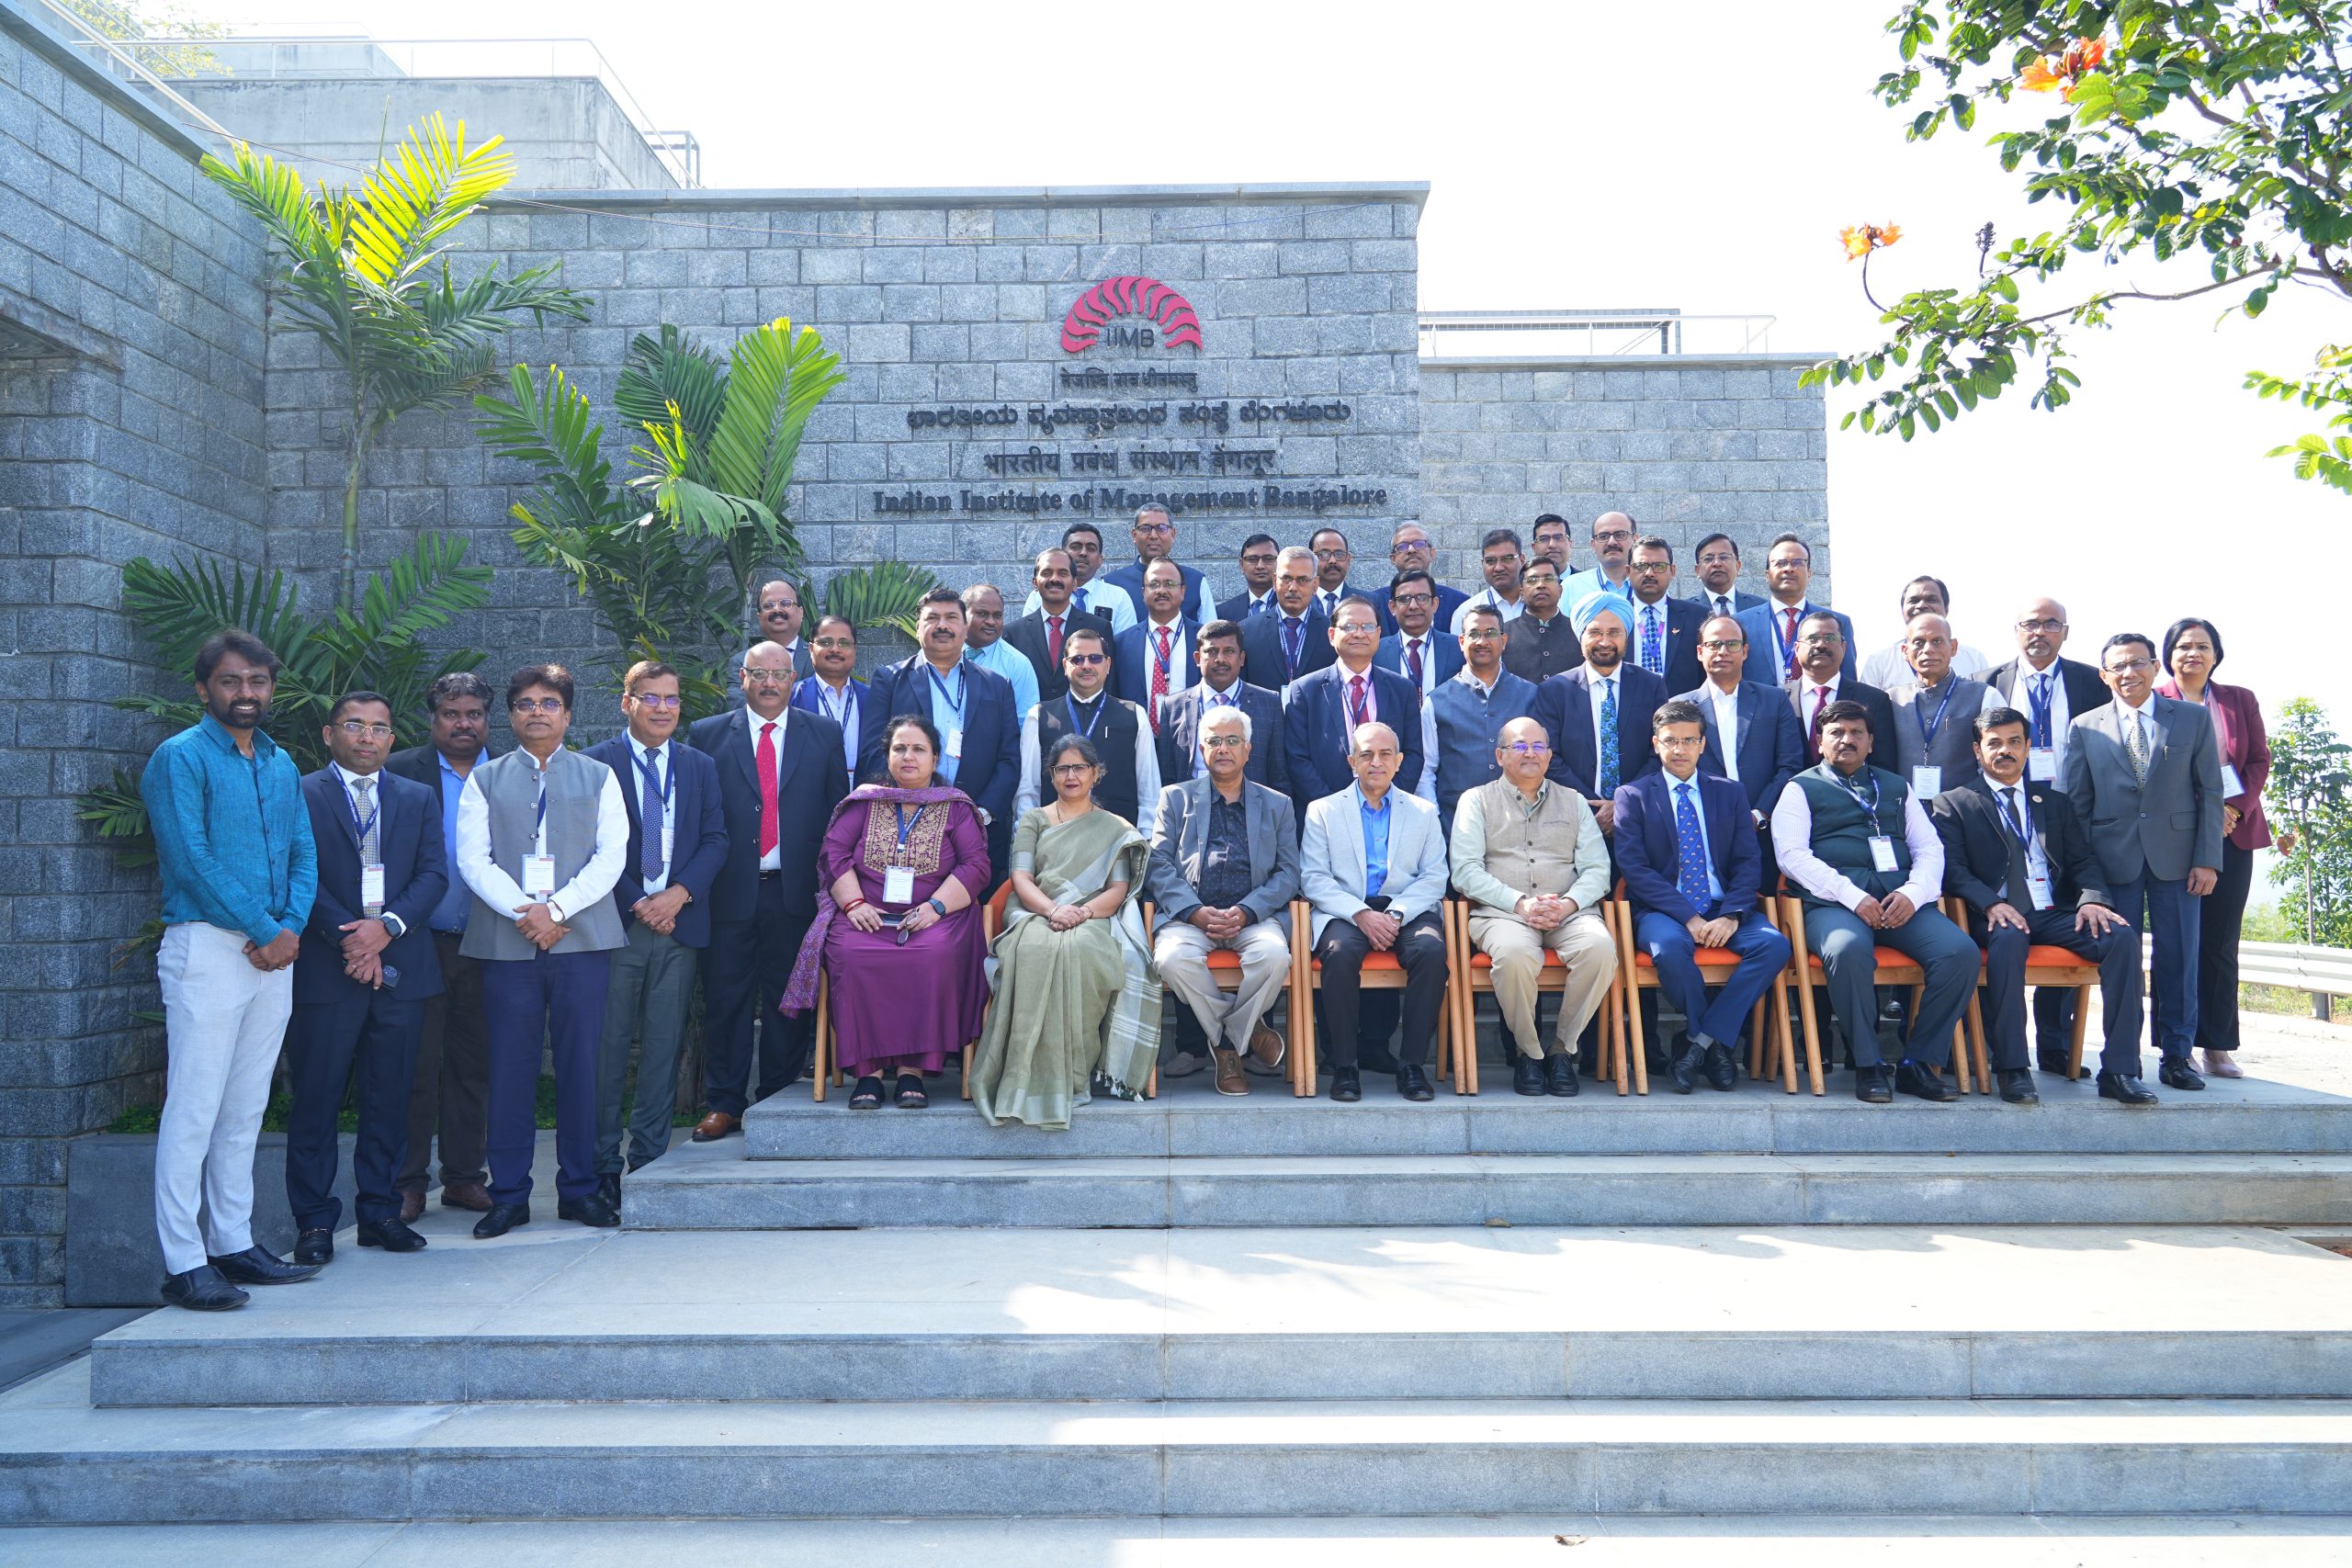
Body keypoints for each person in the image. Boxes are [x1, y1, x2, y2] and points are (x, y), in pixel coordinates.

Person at [141, 631, 321, 1310]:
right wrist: (265, 930)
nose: (246, 692)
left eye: (257, 681)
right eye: (231, 681)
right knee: (194, 1107)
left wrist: (289, 928)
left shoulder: (280, 762)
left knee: (245, 1105)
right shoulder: (180, 757)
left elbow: (303, 851)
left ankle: (233, 1242)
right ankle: (185, 1262)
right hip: (209, 949)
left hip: (276, 953)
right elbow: (191, 858)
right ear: (203, 688)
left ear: (272, 688)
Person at [455, 664, 628, 1235]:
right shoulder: (486, 780)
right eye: (525, 703)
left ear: (568, 714)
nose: (537, 712)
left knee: (582, 1067)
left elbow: (611, 856)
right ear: (510, 716)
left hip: (582, 939)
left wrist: (555, 910)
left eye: (549, 703)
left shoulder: (599, 775)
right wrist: (524, 912)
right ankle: (509, 1195)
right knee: (510, 1069)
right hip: (508, 944)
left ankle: (580, 1190)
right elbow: (473, 859)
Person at [287, 690, 446, 1266]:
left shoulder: (416, 796)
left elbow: (434, 874)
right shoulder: (301, 793)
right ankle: (314, 1222)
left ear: (392, 739)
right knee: (317, 1098)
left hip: (402, 968)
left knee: (390, 1097)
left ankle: (380, 1213)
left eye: (379, 728)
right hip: (326, 969)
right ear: (329, 734)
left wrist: (387, 929)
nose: (367, 736)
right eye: (354, 725)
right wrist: (351, 938)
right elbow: (296, 873)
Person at [1770, 700, 1980, 1104]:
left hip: (1901, 904)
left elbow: (1929, 849)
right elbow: (1792, 857)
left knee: (1960, 953)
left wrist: (1913, 893)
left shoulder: (1897, 786)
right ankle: (1868, 1064)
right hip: (1833, 905)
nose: (1846, 740)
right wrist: (1853, 896)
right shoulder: (1799, 789)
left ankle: (1918, 1064)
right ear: (1820, 741)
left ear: (1871, 741)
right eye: (1836, 733)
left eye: (1856, 733)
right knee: (1846, 950)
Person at [1932, 708, 2143, 1103]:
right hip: (1993, 914)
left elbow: (2082, 862)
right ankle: (2013, 1068)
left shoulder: (2054, 803)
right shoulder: (1954, 803)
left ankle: (2120, 1070)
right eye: (1994, 743)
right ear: (1978, 751)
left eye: (2014, 742)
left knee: (2121, 937)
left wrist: (2092, 900)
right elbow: (1953, 871)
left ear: (2028, 747)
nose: (2005, 751)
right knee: (2009, 938)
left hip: (2052, 913)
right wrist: (1990, 903)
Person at [785, 716, 991, 1110]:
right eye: (900, 748)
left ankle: (914, 1072)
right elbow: (834, 853)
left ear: (935, 758)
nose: (908, 756)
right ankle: (869, 1073)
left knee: (934, 954)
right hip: (866, 917)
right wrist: (854, 903)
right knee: (851, 953)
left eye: (918, 749)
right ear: (888, 756)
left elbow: (976, 865)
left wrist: (936, 907)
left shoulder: (956, 807)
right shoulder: (865, 802)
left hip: (935, 918)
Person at [688, 642, 847, 1139]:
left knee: (788, 999)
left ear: (794, 679)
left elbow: (837, 818)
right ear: (743, 678)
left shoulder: (823, 734)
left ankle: (777, 1098)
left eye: (779, 674)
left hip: (795, 891)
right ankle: (724, 1102)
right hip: (729, 890)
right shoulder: (708, 734)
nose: (769, 683)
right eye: (759, 673)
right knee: (726, 998)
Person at [585, 661, 728, 1204]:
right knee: (608, 1047)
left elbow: (715, 839)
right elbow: (590, 845)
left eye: (671, 698)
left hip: (678, 925)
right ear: (627, 703)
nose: (662, 708)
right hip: (617, 924)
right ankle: (602, 1164)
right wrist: (639, 901)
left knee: (664, 1046)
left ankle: (648, 1159)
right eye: (650, 697)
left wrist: (678, 895)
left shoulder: (699, 765)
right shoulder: (596, 763)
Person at [2061, 633, 2226, 1094]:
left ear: (2155, 667)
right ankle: (2124, 1063)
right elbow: (2077, 805)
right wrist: (2085, 879)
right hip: (2113, 861)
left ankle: (2177, 1056)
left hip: (2180, 859)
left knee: (2180, 958)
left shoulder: (2191, 718)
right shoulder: (2085, 726)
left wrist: (2207, 859)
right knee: (2123, 964)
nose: (2129, 673)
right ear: (2104, 676)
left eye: (2138, 663)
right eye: (2118, 666)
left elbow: (2211, 791)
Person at [970, 734, 1162, 1128]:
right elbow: (1021, 879)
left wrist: (1082, 912)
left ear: (1096, 773)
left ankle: (1074, 1075)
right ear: (1051, 775)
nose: (1071, 775)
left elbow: (1118, 890)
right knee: (1032, 951)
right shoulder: (1034, 820)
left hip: (1093, 917)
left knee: (1083, 954)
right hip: (1036, 911)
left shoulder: (1114, 827)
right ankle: (1023, 1076)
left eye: (1080, 768)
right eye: (1062, 769)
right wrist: (1053, 909)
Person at [1616, 702, 1794, 1094]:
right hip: (1664, 909)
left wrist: (1731, 915)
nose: (1679, 749)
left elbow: (1748, 861)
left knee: (1774, 946)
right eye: (1670, 741)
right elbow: (1636, 869)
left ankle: (1698, 1043)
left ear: (1702, 744)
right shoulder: (1633, 795)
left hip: (1724, 907)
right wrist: (1689, 917)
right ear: (1656, 744)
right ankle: (1715, 1048)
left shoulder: (1730, 793)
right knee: (1668, 949)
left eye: (1688, 740)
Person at [1451, 716, 1617, 1095]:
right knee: (1513, 955)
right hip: (1502, 914)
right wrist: (1519, 904)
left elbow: (1597, 870)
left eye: (1539, 746)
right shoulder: (1476, 801)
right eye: (1520, 746)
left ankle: (1562, 1050)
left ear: (1549, 755)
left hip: (1568, 913)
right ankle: (1530, 1053)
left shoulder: (1574, 801)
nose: (1530, 753)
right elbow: (1465, 871)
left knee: (1600, 948)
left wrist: (1569, 904)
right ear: (1500, 756)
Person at [387, 671, 496, 1222]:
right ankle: (408, 1182)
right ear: (432, 719)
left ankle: (463, 1176)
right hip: (417, 940)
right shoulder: (399, 771)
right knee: (415, 1063)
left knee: (474, 1063)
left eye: (474, 714)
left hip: (486, 942)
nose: (463, 724)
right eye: (452, 714)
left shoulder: (509, 773)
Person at [1147, 705, 1301, 1094]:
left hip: (1253, 917)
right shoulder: (1175, 798)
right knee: (1170, 959)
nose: (1223, 748)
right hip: (1190, 917)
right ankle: (1240, 1035)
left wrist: (1248, 911)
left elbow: (1288, 873)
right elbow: (1157, 865)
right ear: (1202, 750)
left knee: (1274, 956)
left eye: (1233, 740)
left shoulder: (1277, 804)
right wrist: (1193, 911)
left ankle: (1226, 1041)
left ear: (1249, 750)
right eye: (1214, 740)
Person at [1301, 723, 1451, 1101]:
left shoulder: (1423, 811)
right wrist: (1360, 914)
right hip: (1346, 909)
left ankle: (1412, 1066)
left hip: (1407, 908)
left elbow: (1435, 876)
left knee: (1431, 951)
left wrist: (1397, 914)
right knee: (1338, 952)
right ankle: (1345, 1066)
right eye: (1366, 754)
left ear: (1399, 762)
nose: (1376, 762)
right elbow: (1314, 878)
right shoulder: (1323, 810)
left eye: (1385, 754)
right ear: (1352, 762)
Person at [2156, 617, 2271, 1080]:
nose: (2193, 654)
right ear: (2168, 655)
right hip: (2175, 835)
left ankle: (2217, 1046)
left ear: (2216, 654)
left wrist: (2232, 810)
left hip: (2234, 831)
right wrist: (2202, 814)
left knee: (2221, 942)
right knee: (2175, 941)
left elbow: (2258, 760)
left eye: (2203, 646)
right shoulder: (2154, 700)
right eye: (2183, 646)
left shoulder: (2239, 699)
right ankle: (2174, 1045)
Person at [866, 588, 1023, 892]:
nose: (942, 626)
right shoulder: (889, 680)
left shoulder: (997, 685)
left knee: (973, 912)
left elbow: (1009, 758)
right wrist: (905, 807)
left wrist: (981, 814)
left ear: (965, 627)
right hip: (905, 825)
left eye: (952, 618)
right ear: (918, 627)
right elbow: (872, 752)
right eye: (932, 618)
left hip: (977, 826)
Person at [1283, 597, 1426, 824]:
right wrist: (1333, 808)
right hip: (1327, 816)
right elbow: (1297, 758)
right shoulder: (1304, 690)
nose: (1359, 634)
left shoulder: (1402, 689)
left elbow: (1413, 754)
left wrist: (1385, 802)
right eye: (1349, 626)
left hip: (1388, 815)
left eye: (1367, 627)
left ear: (1378, 634)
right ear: (1332, 635)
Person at [1532, 599, 1667, 832]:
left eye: (1614, 632)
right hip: (1573, 817)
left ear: (1626, 637)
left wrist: (1623, 802)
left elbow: (1659, 752)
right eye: (1595, 633)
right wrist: (1591, 808)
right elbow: (1548, 756)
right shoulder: (1555, 690)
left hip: (1640, 815)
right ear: (1581, 637)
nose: (1605, 642)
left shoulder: (1651, 685)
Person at [1675, 614, 1804, 856]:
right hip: (1700, 832)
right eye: (1714, 644)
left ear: (1745, 651)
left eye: (1732, 644)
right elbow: (1673, 771)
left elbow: (1791, 765)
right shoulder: (1679, 707)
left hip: (1765, 833)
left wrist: (1759, 813)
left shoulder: (1774, 700)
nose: (1723, 651)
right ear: (1700, 652)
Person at [1018, 626, 1162, 833]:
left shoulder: (1134, 714)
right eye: (1077, 659)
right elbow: (1028, 790)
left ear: (1108, 664)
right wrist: (1027, 836)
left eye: (1095, 658)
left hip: (1118, 837)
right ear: (1065, 666)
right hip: (1056, 838)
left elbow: (1149, 788)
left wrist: (1146, 837)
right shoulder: (1040, 716)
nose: (1086, 665)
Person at [1427, 604, 1541, 834]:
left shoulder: (1531, 695)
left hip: (1521, 824)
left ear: (1504, 641)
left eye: (1490, 633)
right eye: (1474, 634)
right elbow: (1426, 771)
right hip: (1456, 825)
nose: (1482, 641)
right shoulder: (1436, 701)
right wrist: (1433, 821)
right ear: (1461, 642)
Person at [1984, 596, 2106, 785]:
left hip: (2072, 797)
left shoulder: (2093, 681)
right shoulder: (1987, 682)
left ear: (2065, 632)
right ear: (2016, 630)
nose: (2040, 632)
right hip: (2009, 796)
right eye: (2031, 624)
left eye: (2051, 624)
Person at [1157, 619, 1287, 794]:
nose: (1220, 659)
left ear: (1241, 658)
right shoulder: (1173, 706)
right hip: (1191, 805)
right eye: (1211, 651)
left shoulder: (1269, 703)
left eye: (1229, 651)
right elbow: (1167, 777)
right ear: (1197, 658)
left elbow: (1279, 776)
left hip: (1252, 807)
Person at [1887, 613, 1998, 797]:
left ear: (1953, 647)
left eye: (1937, 641)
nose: (1928, 649)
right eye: (1919, 642)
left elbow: (1996, 757)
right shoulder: (1891, 699)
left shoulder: (1984, 695)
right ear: (1905, 651)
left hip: (1964, 808)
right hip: (1904, 808)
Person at [1737, 535, 1857, 685]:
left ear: (1809, 573)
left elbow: (1848, 682)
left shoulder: (1839, 623)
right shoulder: (1740, 623)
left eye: (1797, 563)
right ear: (1767, 575)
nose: (1789, 569)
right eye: (1780, 563)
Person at [1785, 611, 1897, 769]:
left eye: (1830, 638)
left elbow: (1883, 764)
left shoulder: (1873, 700)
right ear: (1797, 649)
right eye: (1812, 639)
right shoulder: (1779, 699)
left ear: (1844, 648)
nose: (1821, 645)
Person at [1007, 548, 1114, 709]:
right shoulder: (1013, 633)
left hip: (1086, 720)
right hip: (1032, 721)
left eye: (1063, 573)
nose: (1055, 579)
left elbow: (1109, 684)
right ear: (1035, 583)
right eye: (1047, 573)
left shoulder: (1099, 627)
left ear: (1075, 583)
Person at [1860, 576, 1994, 689]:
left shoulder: (1974, 659)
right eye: (1913, 601)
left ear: (1946, 608)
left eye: (1931, 600)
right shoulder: (1880, 661)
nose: (1921, 605)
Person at [1097, 503, 1211, 627]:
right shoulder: (1111, 584)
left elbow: (1212, 634)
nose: (1153, 536)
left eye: (1161, 528)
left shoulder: (1196, 581)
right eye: (1145, 528)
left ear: (1173, 534)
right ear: (1134, 535)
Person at [1239, 546, 1335, 692]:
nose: (1293, 588)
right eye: (1286, 578)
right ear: (1274, 581)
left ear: (1315, 585)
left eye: (1303, 579)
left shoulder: (1332, 633)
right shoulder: (1246, 631)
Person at [789, 615, 866, 794]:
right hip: (809, 796)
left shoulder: (872, 698)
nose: (835, 649)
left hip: (863, 798)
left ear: (855, 650)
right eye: (825, 642)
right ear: (811, 649)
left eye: (844, 643)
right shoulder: (792, 697)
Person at [1113, 558, 1195, 723]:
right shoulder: (1121, 643)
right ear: (1143, 592)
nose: (1161, 590)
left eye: (1170, 584)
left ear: (1183, 591)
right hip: (1138, 733)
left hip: (1192, 732)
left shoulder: (1203, 639)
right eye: (1154, 584)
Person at [1621, 536, 1704, 694]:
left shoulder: (1698, 618)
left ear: (1672, 571)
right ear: (1628, 571)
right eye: (1640, 566)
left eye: (1659, 566)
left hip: (1682, 707)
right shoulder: (1615, 617)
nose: (1649, 573)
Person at [1021, 522, 1137, 633]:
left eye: (1091, 548)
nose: (1083, 553)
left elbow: (1124, 642)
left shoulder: (1118, 597)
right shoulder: (1037, 597)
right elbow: (1030, 639)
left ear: (1100, 560)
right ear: (1063, 555)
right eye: (1076, 547)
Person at [1373, 567, 1464, 703]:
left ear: (1434, 604)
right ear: (1393, 607)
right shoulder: (1375, 651)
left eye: (1422, 598)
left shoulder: (1459, 648)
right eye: (1404, 599)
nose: (1413, 606)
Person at [960, 583, 1041, 723]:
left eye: (997, 615)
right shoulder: (941, 654)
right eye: (982, 613)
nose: (991, 622)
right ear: (962, 615)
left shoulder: (1018, 664)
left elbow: (1026, 723)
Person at [1373, 523, 1469, 634]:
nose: (1411, 549)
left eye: (1419, 544)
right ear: (1393, 559)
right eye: (1402, 547)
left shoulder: (1459, 603)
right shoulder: (1374, 604)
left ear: (1432, 554)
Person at [1501, 558, 1581, 683]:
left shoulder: (1579, 631)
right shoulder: (1504, 634)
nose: (1541, 585)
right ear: (1521, 593)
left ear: (1560, 591)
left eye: (1549, 579)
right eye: (1532, 580)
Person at [1449, 528, 1528, 633]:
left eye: (1507, 559)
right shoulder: (1466, 611)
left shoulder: (1543, 604)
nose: (1498, 568)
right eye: (1490, 561)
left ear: (1522, 560)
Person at [738, 574, 814, 681]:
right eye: (768, 606)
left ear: (800, 612)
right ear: (759, 617)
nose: (777, 610)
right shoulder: (740, 662)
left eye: (786, 603)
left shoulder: (819, 657)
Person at [1561, 510, 1639, 611]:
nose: (1611, 542)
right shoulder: (1571, 587)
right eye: (1603, 536)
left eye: (1620, 535)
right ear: (1593, 544)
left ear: (1635, 540)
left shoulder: (1650, 584)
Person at [1306, 526, 1379, 624]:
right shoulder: (1299, 600)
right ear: (1310, 560)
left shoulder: (1371, 601)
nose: (1332, 560)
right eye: (1323, 554)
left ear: (1348, 560)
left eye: (1339, 554)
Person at [1686, 533, 1764, 618]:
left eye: (1724, 557)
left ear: (1737, 566)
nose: (1717, 563)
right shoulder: (1685, 611)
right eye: (1708, 559)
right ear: (1698, 570)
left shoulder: (1761, 607)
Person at [1215, 533, 1282, 622]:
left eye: (1268, 559)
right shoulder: (1222, 613)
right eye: (1252, 559)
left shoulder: (1291, 607)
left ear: (1280, 562)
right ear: (1241, 565)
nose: (1260, 566)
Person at [1530, 513, 1574, 577]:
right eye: (1544, 539)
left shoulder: (1585, 582)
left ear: (1570, 543)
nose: (1552, 545)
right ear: (1534, 547)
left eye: (1559, 538)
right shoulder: (1523, 581)